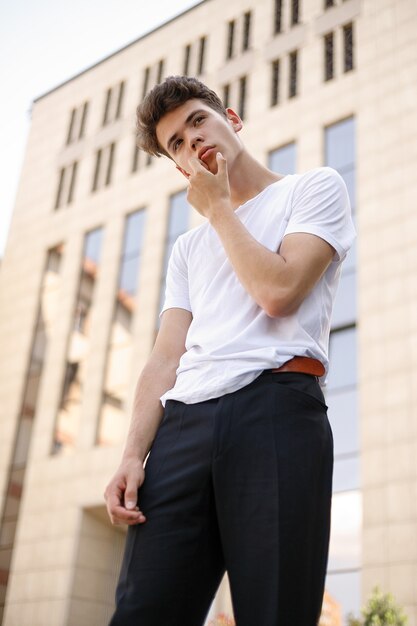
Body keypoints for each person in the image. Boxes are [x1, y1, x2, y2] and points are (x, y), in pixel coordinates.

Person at [104, 75, 356, 626]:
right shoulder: (186, 249)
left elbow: (279, 293)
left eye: (198, 121)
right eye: (176, 143)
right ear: (178, 168)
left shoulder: (312, 188)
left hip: (277, 410)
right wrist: (132, 455)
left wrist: (219, 209)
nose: (192, 141)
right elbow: (164, 357)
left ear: (231, 119)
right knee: (143, 611)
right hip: (182, 429)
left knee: (274, 609)